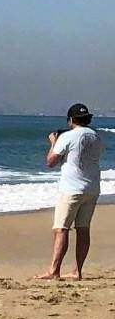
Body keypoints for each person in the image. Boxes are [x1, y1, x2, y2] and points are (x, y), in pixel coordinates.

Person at [40, 103, 102, 279]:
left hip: (72, 188)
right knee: (83, 229)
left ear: (71, 120)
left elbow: (51, 162)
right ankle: (77, 270)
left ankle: (54, 270)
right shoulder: (96, 136)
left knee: (61, 228)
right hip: (92, 187)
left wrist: (54, 142)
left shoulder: (68, 136)